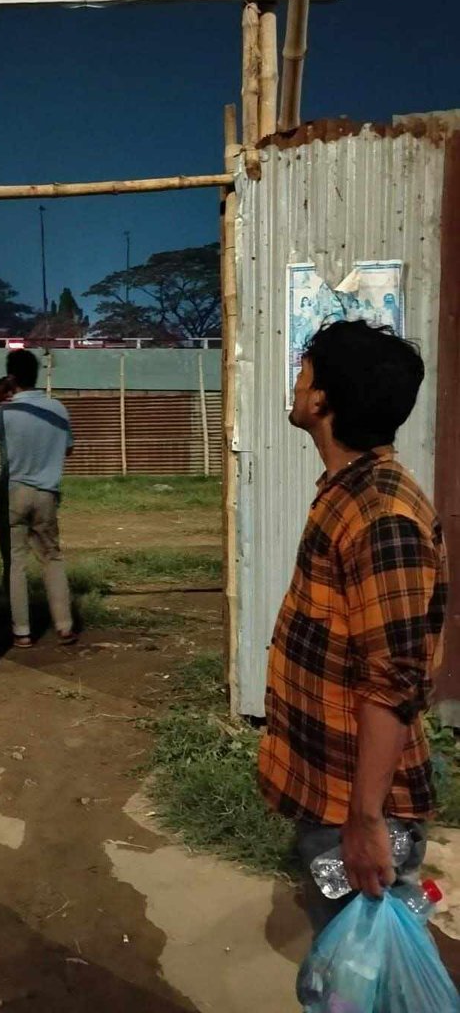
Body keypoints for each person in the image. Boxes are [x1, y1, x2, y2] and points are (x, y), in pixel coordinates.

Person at [258, 319, 448, 935]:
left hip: (358, 805)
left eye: (305, 373)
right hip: (330, 788)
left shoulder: (381, 516)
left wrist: (366, 821)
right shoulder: (350, 491)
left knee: (364, 978)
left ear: (323, 400)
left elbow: (394, 680)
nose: (297, 386)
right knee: (350, 970)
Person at [0, 349, 77, 649]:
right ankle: (64, 626)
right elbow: (68, 448)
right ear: (36, 374)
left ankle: (22, 632)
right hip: (48, 493)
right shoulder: (58, 409)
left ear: (11, 378)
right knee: (52, 558)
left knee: (16, 563)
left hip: (14, 492)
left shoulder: (6, 412)